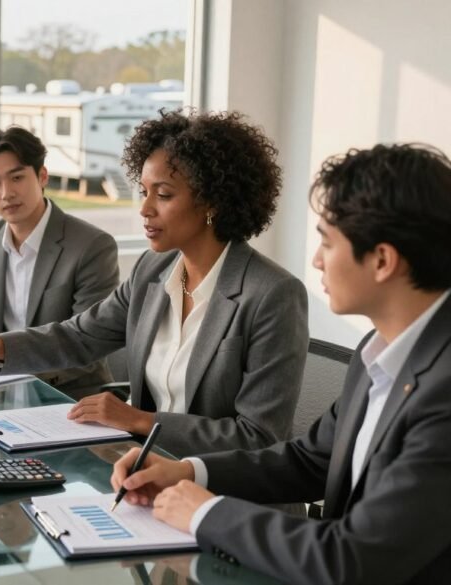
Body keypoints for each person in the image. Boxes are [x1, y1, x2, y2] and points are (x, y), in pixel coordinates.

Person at [113, 144, 451, 585]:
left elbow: (354, 559)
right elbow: (311, 462)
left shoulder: (443, 391)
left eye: (327, 242)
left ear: (383, 260)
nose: (315, 260)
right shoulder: (378, 350)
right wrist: (187, 471)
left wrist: (206, 512)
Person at [0, 110, 309, 457]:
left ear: (213, 202)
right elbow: (78, 336)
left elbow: (259, 437)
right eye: (144, 192)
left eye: (164, 194)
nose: (144, 208)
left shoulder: (272, 295)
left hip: (226, 501)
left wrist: (139, 420)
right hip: (145, 477)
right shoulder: (153, 271)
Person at [0, 127, 119, 397]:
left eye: (17, 178)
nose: (6, 193)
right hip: (1, 393)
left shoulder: (91, 246)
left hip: (70, 398)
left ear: (42, 176)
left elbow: (86, 344)